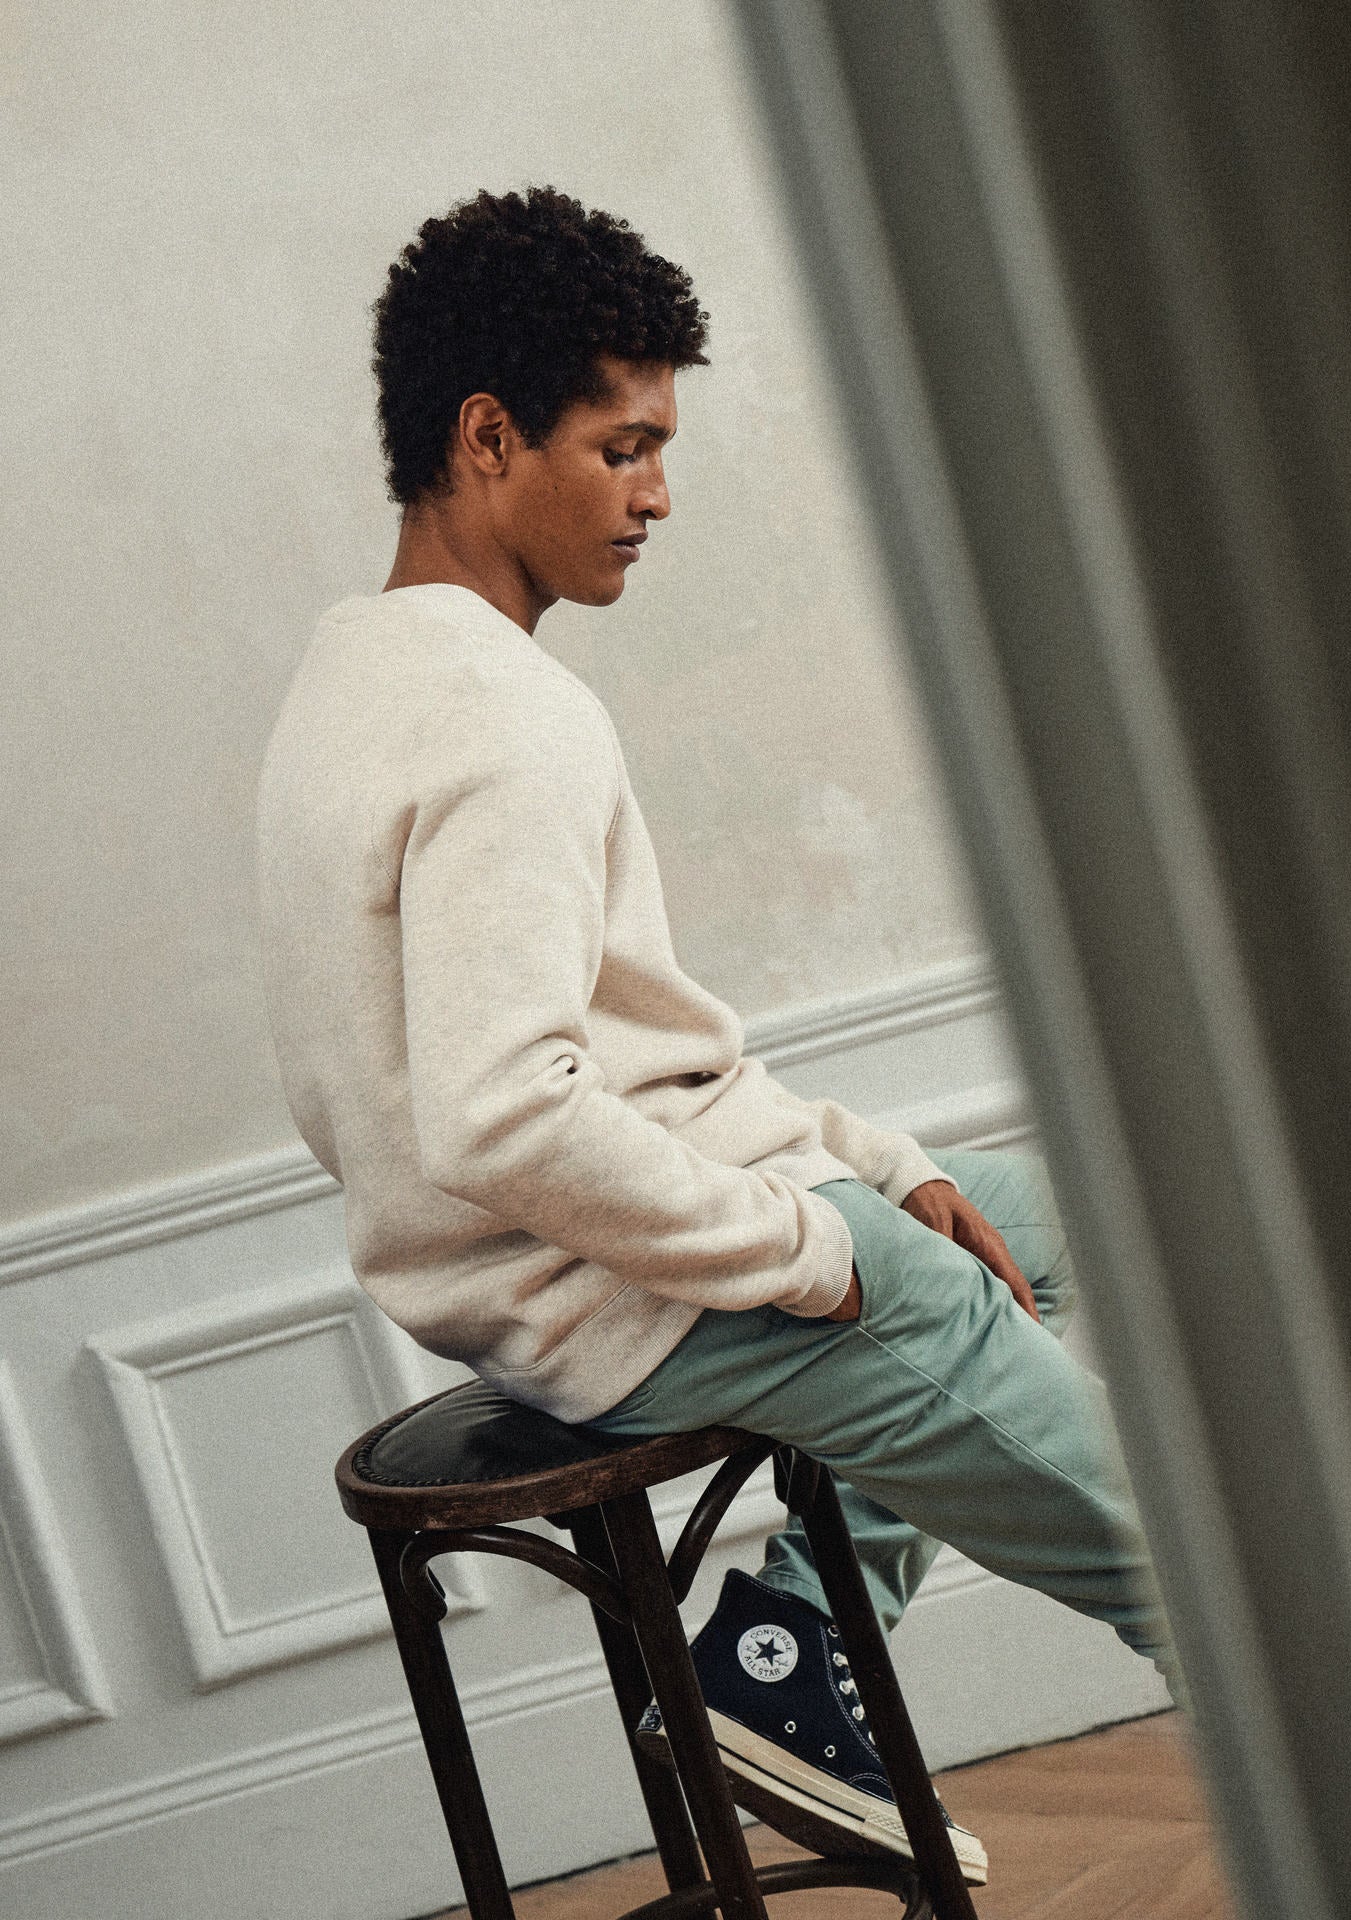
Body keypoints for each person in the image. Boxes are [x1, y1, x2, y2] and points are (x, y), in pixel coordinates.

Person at [257, 185, 1182, 1890]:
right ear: (487, 437)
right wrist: (821, 1252)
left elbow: (632, 1060)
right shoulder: (505, 719)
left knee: (1039, 1225)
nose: (656, 494)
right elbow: (502, 1119)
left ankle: (777, 1658)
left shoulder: (360, 674)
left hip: (563, 1266)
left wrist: (876, 1170)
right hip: (602, 1290)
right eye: (621, 448)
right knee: (1199, 1565)